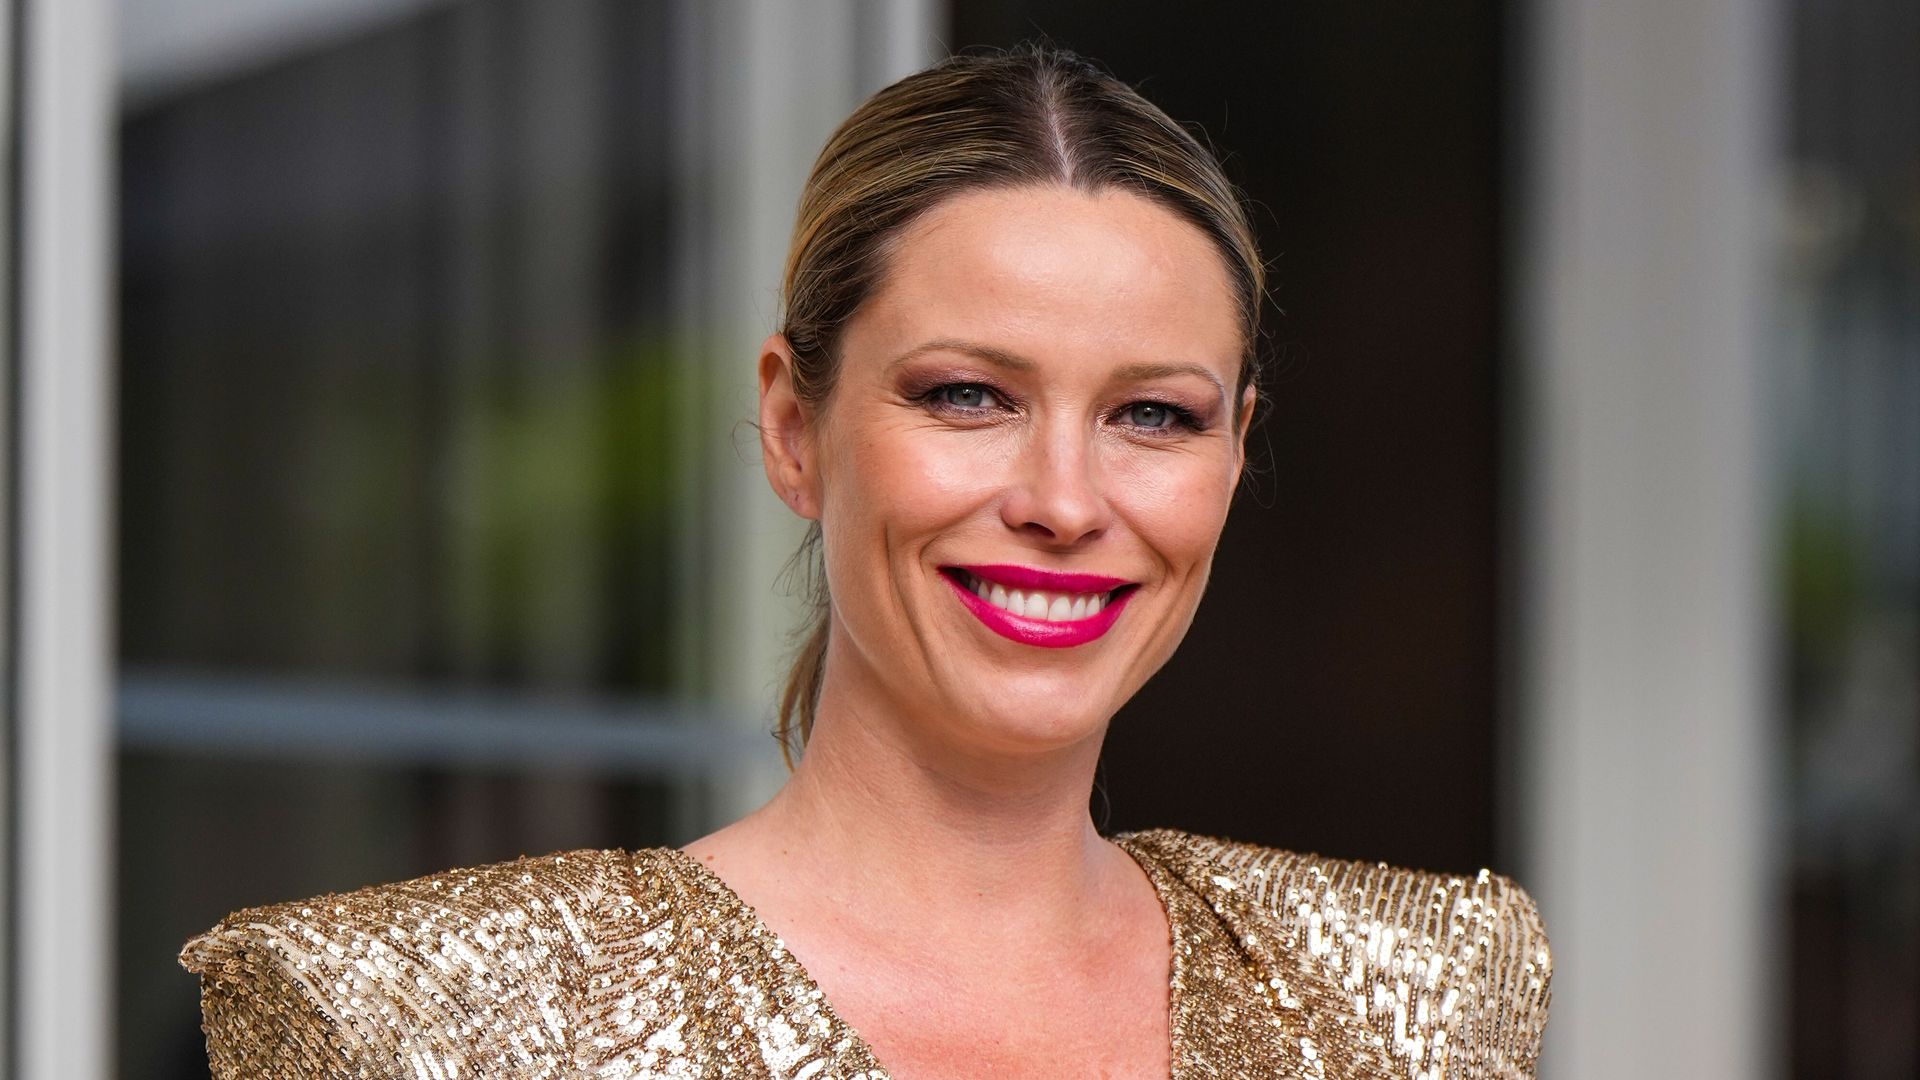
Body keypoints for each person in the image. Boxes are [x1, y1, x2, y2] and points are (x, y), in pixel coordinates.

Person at [181, 46, 1550, 1079]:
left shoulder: (1403, 1003)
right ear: (794, 427)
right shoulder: (432, 1027)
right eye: (968, 395)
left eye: (1152, 415)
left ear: (1236, 453)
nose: (1064, 502)